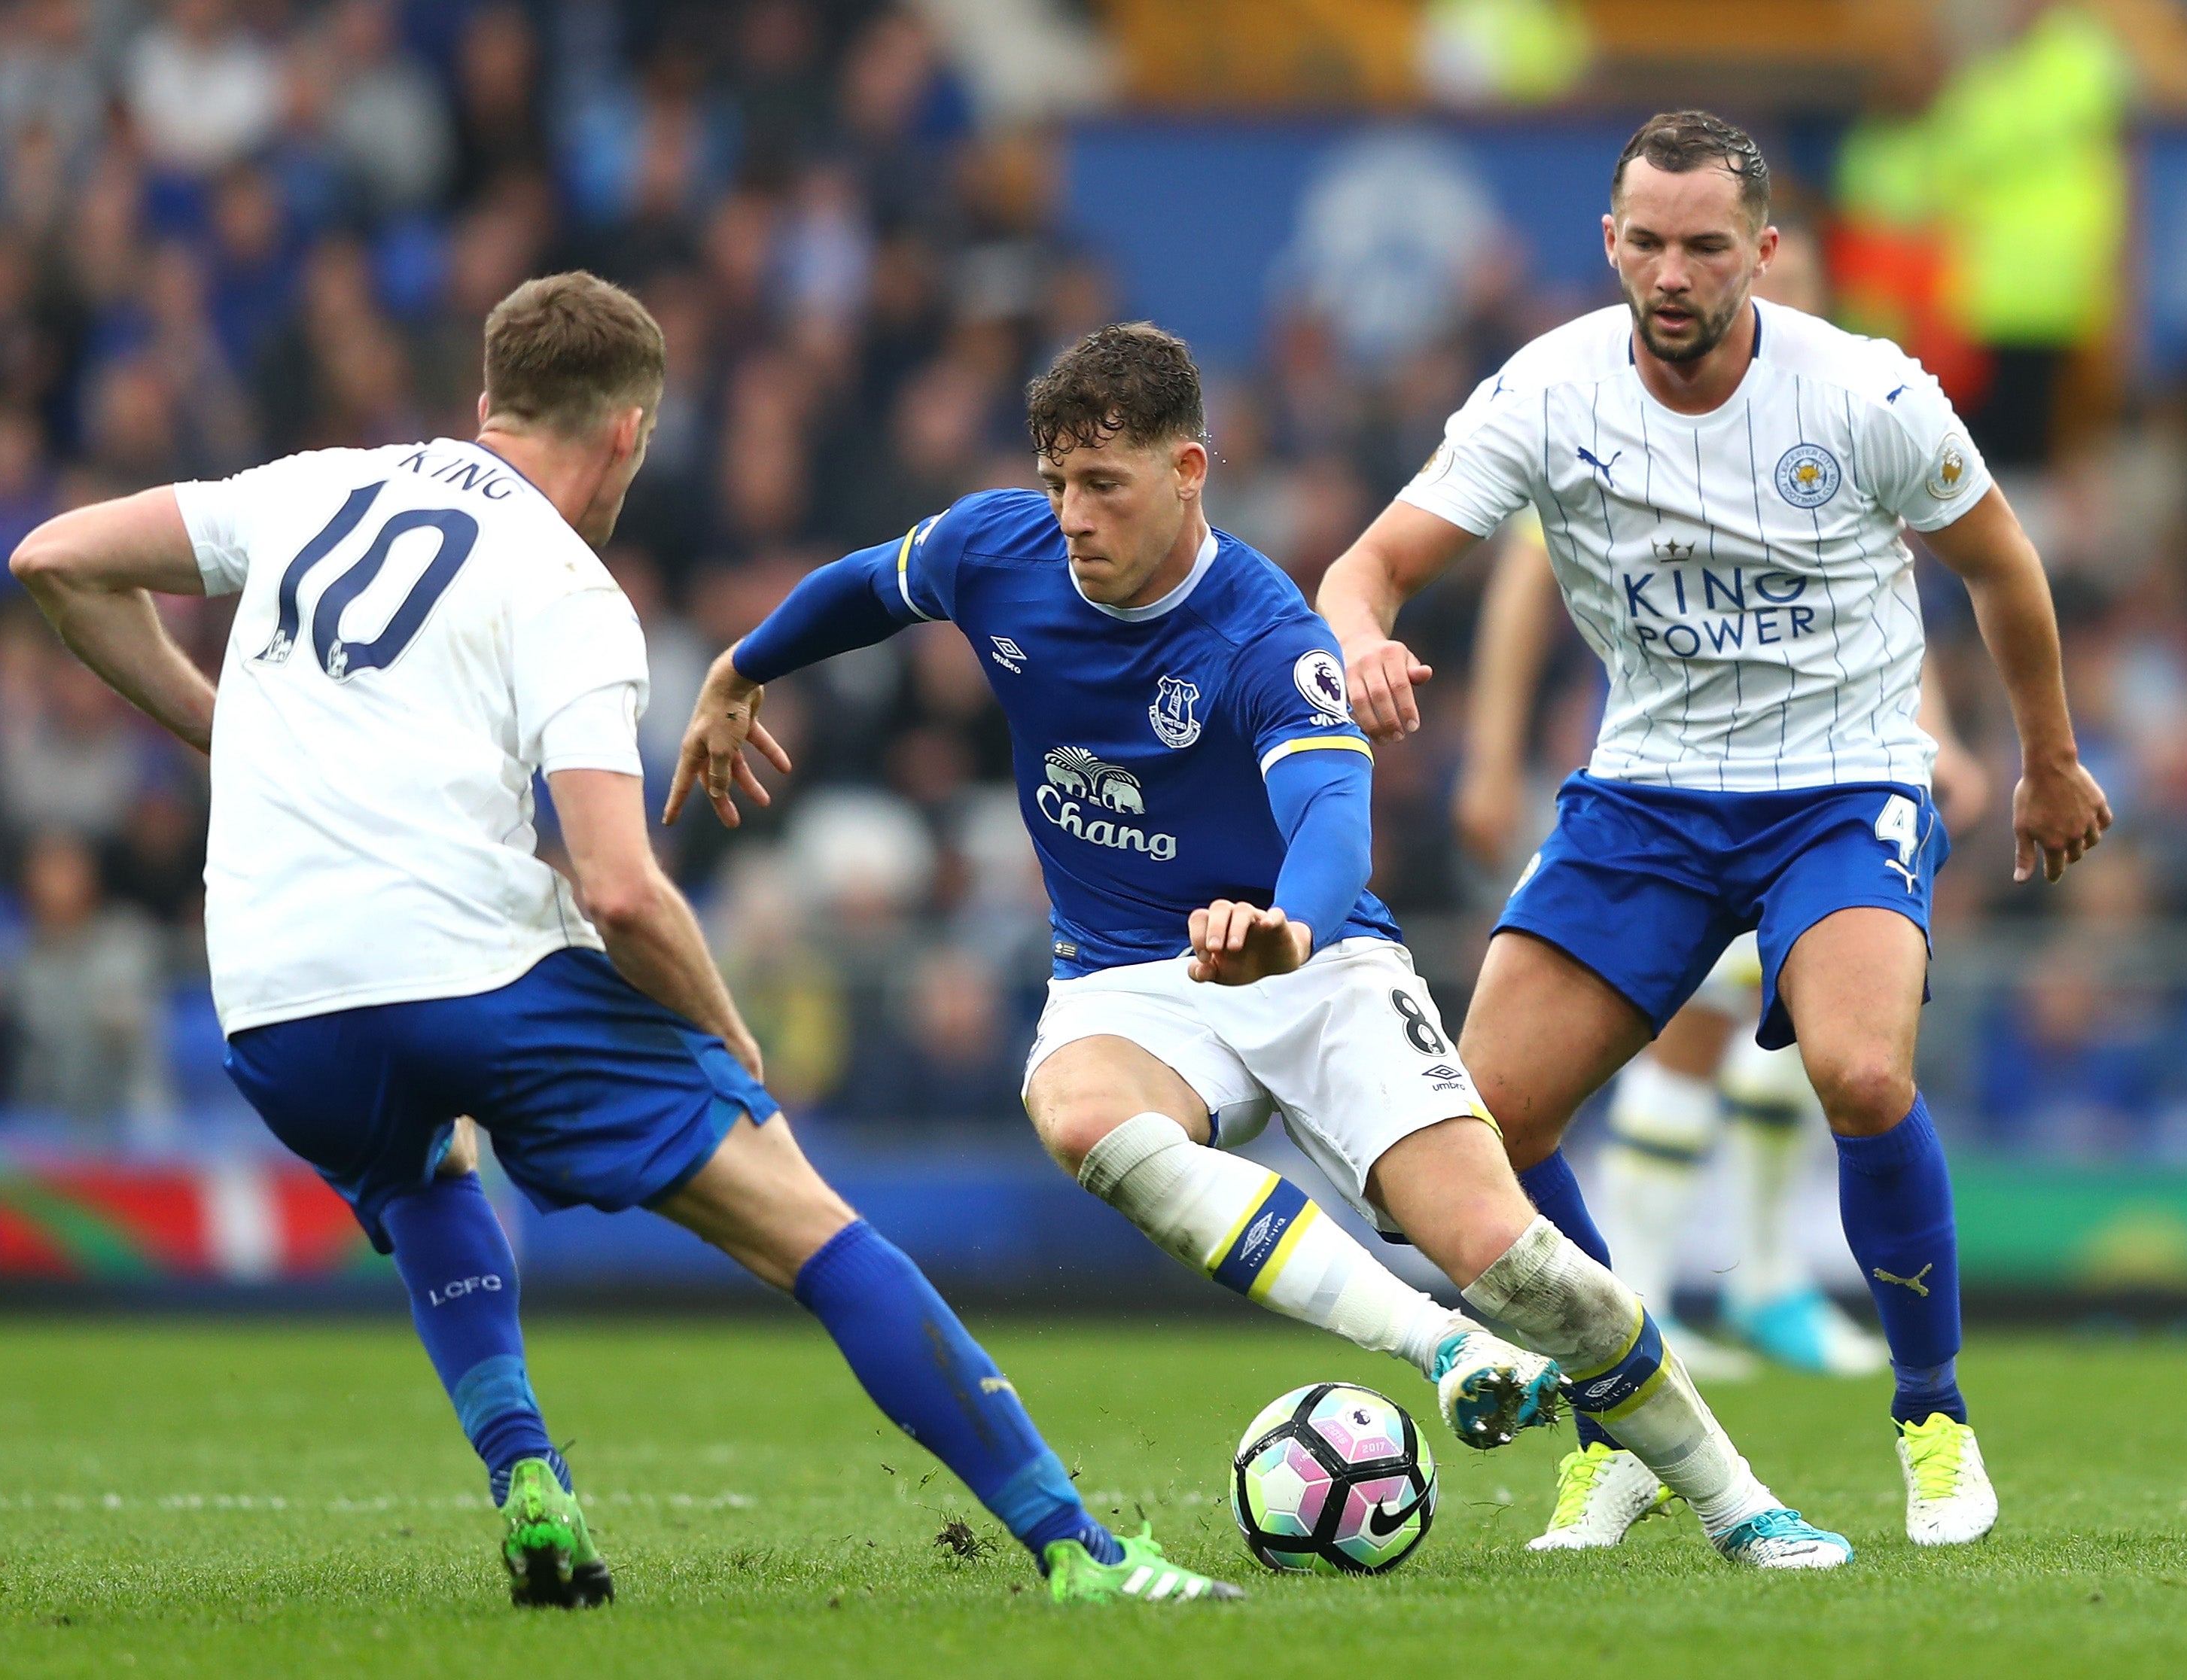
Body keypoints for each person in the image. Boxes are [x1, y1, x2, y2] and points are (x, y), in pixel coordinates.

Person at [10, 270, 1236, 1608]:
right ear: (627, 434)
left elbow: (54, 560)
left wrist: (222, 731)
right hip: (466, 975)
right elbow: (621, 889)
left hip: (274, 1004)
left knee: (425, 1172)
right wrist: (726, 1025)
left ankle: (528, 1479)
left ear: (489, 404)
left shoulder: (313, 485)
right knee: (809, 1229)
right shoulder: (570, 590)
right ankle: (1081, 1550)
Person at [673, 321, 1852, 1569]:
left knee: (1524, 1273)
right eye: (1057, 482)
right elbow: (865, 587)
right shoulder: (992, 550)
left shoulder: (1264, 637)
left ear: (1189, 472)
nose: (1072, 516)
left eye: (1104, 487)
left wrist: (1285, 927)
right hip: (1129, 974)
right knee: (1079, 1110)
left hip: (1320, 963)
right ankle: (1438, 1346)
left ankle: (1739, 1504)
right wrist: (742, 668)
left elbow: (1334, 826)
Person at [1317, 111, 2112, 1552]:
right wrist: (1362, 639)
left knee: (1861, 1073)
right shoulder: (1548, 392)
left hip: (1844, 777)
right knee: (1485, 1121)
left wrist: (2047, 761)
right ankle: (1629, 1410)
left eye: (1703, 244)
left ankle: (1931, 1423)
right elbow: (1364, 566)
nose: (1672, 272)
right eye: (1647, 240)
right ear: (1607, 240)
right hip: (1649, 791)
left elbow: (2001, 564)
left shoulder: (1862, 393)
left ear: (1763, 250)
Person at [1451, 215, 1994, 1384]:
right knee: (1685, 1048)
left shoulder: (1845, 399)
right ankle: (1660, 1298)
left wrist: (1932, 738)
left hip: (1825, 781)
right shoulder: (1601, 406)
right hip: (1671, 783)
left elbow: (1873, 602)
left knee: (1820, 1055)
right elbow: (1517, 590)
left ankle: (1761, 1283)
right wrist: (1491, 758)